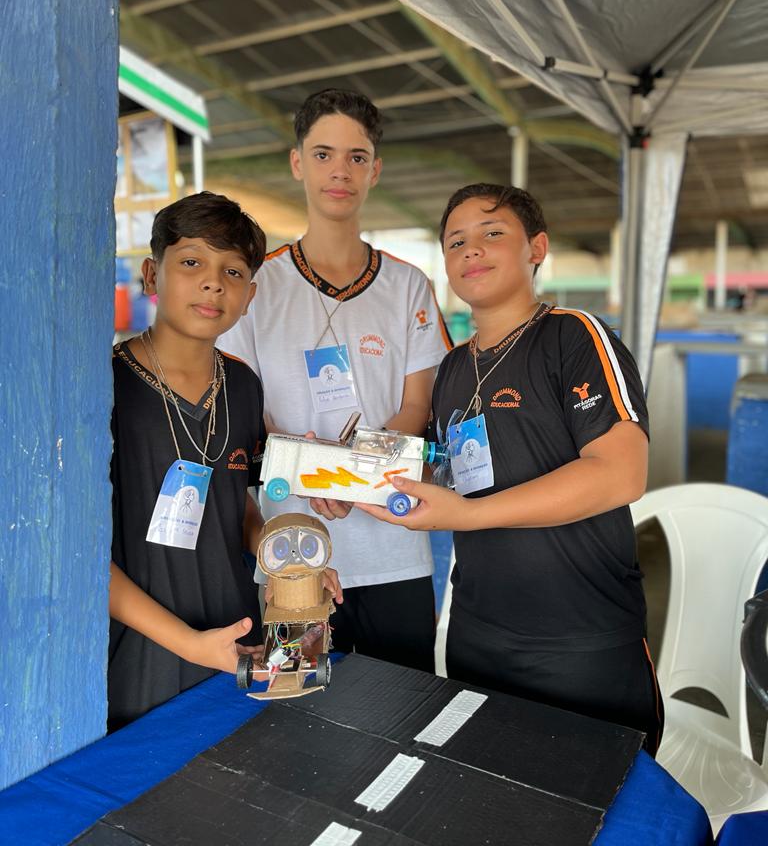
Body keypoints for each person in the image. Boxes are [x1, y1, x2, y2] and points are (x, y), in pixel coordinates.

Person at [352, 183, 664, 754]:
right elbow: (442, 474)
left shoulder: (574, 336)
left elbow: (621, 473)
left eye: (492, 233)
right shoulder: (452, 368)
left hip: (580, 639)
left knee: (599, 794)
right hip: (477, 636)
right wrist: (341, 477)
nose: (471, 250)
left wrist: (469, 515)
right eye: (456, 242)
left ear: (536, 248)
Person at [219, 89, 451, 673]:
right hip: (291, 553)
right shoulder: (257, 287)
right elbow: (247, 414)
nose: (339, 171)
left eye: (356, 156)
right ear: (298, 163)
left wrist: (352, 477)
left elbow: (416, 406)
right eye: (323, 154)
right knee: (295, 698)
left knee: (404, 707)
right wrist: (315, 471)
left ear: (375, 170)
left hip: (395, 547)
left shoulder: (408, 286)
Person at [108, 191, 341, 731]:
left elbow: (233, 506)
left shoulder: (241, 385)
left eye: (232, 272)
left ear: (249, 294)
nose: (213, 283)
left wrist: (286, 557)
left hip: (236, 642)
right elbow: (82, 559)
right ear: (152, 274)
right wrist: (189, 644)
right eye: (191, 263)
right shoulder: (107, 386)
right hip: (141, 660)